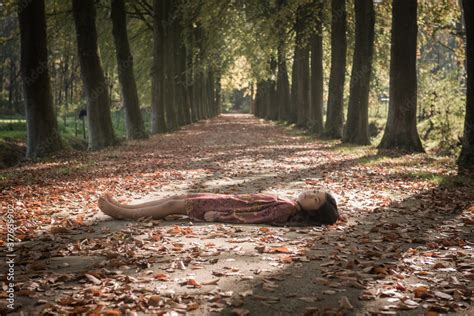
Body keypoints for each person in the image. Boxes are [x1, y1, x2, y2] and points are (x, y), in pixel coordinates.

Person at [98, 190, 339, 226]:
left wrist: (221, 217)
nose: (310, 194)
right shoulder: (289, 202)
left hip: (218, 206)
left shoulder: (287, 208)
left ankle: (123, 214)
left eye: (314, 200)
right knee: (174, 198)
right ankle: (127, 206)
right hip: (221, 198)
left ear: (312, 211)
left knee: (172, 206)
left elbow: (254, 216)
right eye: (314, 192)